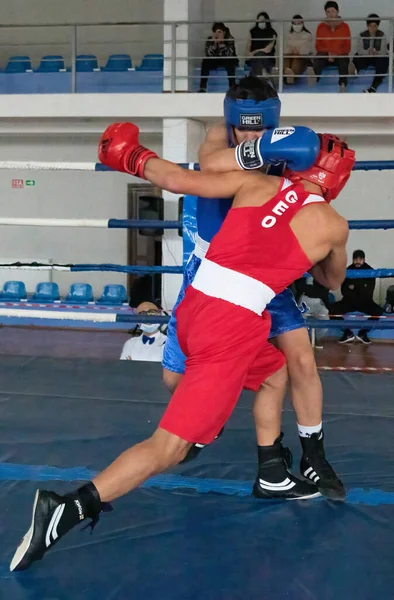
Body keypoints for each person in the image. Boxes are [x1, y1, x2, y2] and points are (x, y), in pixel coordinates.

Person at [10, 125, 354, 572]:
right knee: (168, 447)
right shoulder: (333, 224)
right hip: (230, 327)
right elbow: (333, 283)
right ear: (337, 179)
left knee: (273, 371)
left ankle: (271, 472)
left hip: (193, 308)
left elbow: (176, 179)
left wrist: (129, 155)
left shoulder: (256, 183)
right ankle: (67, 508)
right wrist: (324, 254)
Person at [163, 76, 345, 500]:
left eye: (259, 129)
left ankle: (311, 456)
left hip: (264, 274)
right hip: (210, 273)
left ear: (273, 121)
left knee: (300, 360)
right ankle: (211, 413)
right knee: (175, 380)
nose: (249, 135)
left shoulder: (293, 146)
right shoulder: (217, 134)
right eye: (242, 128)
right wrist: (261, 150)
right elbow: (210, 164)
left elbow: (313, 195)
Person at [330, 249, 383, 344]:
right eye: (355, 259)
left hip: (365, 301)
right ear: (352, 259)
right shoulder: (348, 270)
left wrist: (353, 287)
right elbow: (344, 290)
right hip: (349, 301)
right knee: (332, 310)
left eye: (360, 259)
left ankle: (363, 333)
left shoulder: (370, 271)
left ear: (364, 259)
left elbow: (368, 291)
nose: (358, 261)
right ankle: (347, 333)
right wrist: (359, 287)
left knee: (378, 311)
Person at [314, 1, 351, 93]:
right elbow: (318, 45)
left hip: (339, 55)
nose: (331, 14)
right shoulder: (321, 26)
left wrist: (335, 53)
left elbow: (347, 46)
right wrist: (328, 53)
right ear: (325, 13)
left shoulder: (345, 26)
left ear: (337, 12)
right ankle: (315, 80)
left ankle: (342, 85)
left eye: (333, 11)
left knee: (344, 61)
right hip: (325, 54)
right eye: (328, 12)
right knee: (318, 60)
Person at [352, 14, 389, 94]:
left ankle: (373, 87)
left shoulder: (382, 35)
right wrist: (368, 52)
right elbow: (360, 50)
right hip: (366, 57)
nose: (372, 28)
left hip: (377, 58)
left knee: (385, 59)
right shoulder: (361, 35)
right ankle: (354, 71)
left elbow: (383, 51)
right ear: (367, 26)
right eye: (370, 26)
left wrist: (376, 53)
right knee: (356, 56)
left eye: (375, 26)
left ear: (378, 26)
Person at [199, 22, 238, 92]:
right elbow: (208, 54)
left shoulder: (229, 39)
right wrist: (214, 44)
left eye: (219, 32)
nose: (217, 34)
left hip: (227, 59)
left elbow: (230, 54)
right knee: (205, 62)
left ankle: (232, 87)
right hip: (216, 59)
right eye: (215, 32)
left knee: (230, 62)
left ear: (224, 32)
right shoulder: (210, 39)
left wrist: (222, 44)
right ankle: (202, 88)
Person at [284, 14, 316, 86]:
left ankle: (292, 73)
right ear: (292, 24)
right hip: (290, 56)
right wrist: (293, 50)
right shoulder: (289, 35)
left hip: (303, 58)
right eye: (295, 24)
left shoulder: (307, 35)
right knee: (285, 57)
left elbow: (306, 50)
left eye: (299, 23)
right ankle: (287, 71)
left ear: (302, 24)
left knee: (297, 57)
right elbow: (286, 48)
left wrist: (295, 49)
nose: (297, 25)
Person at [246, 12, 277, 78]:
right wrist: (255, 53)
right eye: (259, 21)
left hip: (268, 58)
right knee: (258, 58)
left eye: (263, 21)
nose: (261, 23)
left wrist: (255, 52)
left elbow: (267, 50)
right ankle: (263, 73)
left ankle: (258, 76)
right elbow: (248, 52)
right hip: (254, 59)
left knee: (259, 55)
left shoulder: (272, 32)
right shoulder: (252, 31)